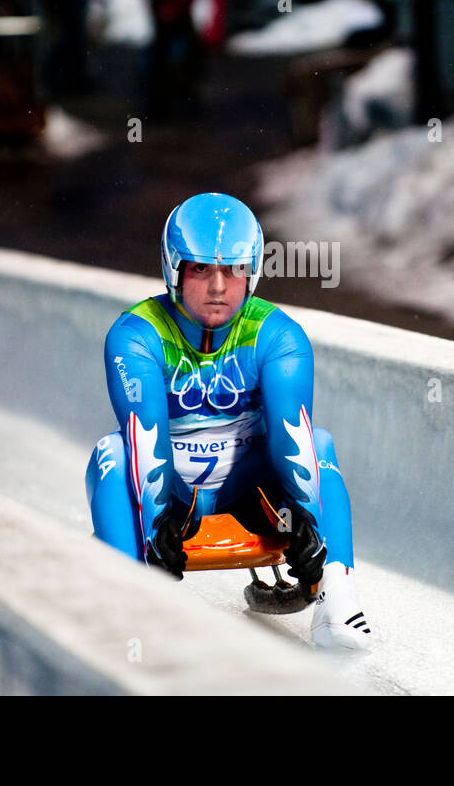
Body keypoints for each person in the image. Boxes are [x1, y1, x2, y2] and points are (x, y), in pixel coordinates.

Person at [85, 193, 372, 650]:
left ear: (252, 271)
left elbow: (289, 435)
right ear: (174, 269)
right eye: (201, 269)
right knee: (111, 455)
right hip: (171, 496)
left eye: (233, 270)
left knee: (319, 442)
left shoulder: (276, 333)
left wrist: (306, 521)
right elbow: (145, 436)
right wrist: (159, 522)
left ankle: (335, 599)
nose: (218, 287)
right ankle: (131, 607)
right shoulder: (136, 333)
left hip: (249, 490)